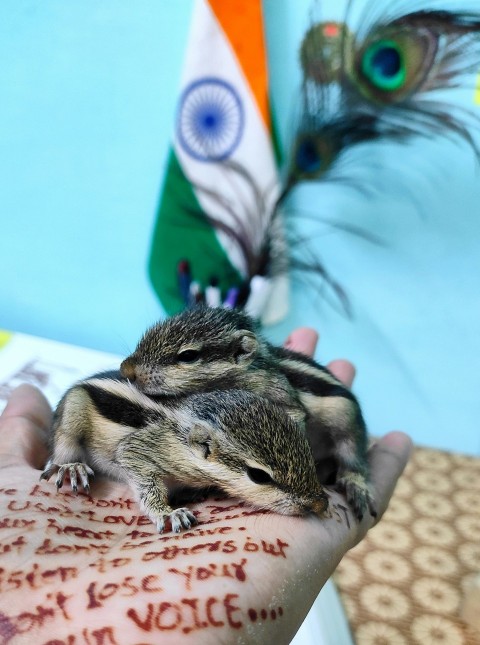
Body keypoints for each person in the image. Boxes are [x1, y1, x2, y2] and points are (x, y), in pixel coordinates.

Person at [0, 328, 412, 645]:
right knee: (76, 402)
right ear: (203, 448)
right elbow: (132, 455)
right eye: (259, 478)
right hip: (102, 423)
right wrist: (159, 509)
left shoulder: (236, 421)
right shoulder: (180, 446)